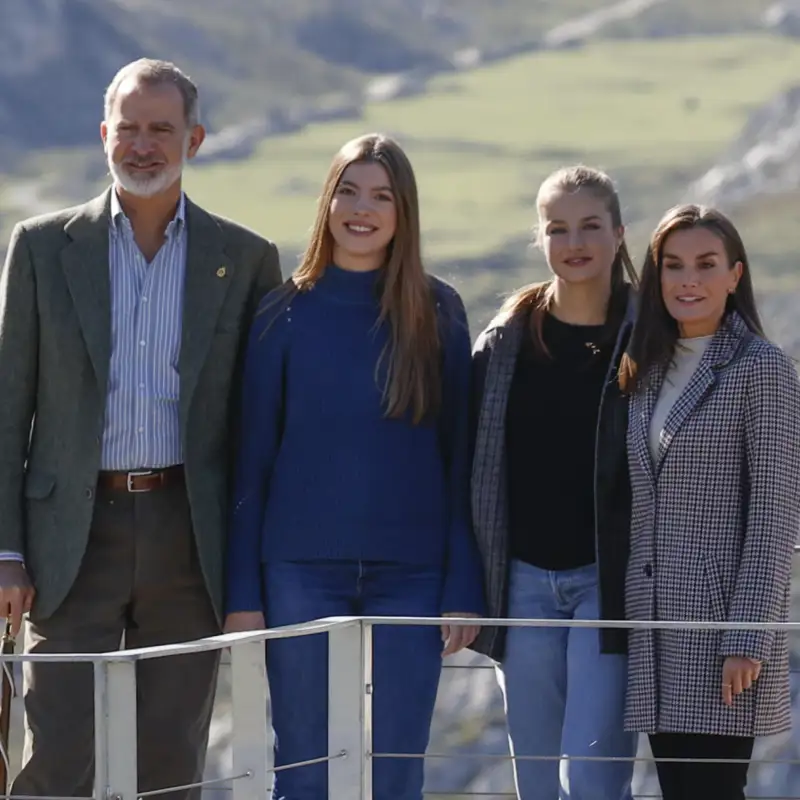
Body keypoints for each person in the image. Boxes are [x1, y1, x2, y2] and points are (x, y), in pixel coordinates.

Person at [0, 58, 282, 799]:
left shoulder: (246, 260)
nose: (144, 144)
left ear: (195, 139)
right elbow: (7, 410)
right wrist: (5, 551)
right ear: (103, 136)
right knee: (56, 759)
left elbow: (256, 424)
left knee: (167, 763)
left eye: (162, 129)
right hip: (68, 539)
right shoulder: (39, 247)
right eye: (129, 128)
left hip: (188, 535)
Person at [223, 132, 486, 800]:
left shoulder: (439, 311)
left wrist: (462, 582)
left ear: (404, 212)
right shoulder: (282, 314)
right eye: (348, 190)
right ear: (327, 200)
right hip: (299, 570)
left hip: (415, 574)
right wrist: (243, 595)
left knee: (399, 772)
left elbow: (460, 461)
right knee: (304, 771)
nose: (361, 209)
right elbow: (251, 461)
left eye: (381, 196)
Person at [619, 204, 800, 800]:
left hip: (722, 633)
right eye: (673, 265)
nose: (688, 279)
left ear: (734, 276)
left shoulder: (763, 369)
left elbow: (776, 515)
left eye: (705, 264)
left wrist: (748, 637)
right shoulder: (646, 370)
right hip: (655, 628)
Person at [470, 166, 640, 800]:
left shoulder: (651, 337)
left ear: (619, 234)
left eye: (591, 225)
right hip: (521, 583)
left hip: (609, 582)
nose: (575, 241)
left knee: (593, 782)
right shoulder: (505, 340)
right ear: (539, 239)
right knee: (537, 782)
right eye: (557, 227)